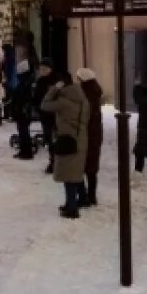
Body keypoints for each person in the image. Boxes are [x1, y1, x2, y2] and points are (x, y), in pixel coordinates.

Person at [41, 71, 89, 219]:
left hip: (67, 139)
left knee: (68, 174)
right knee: (76, 171)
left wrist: (53, 90)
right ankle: (83, 198)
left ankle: (71, 208)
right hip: (81, 138)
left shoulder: (63, 102)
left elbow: (44, 105)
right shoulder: (82, 98)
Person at [77, 68, 104, 207]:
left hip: (86, 134)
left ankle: (84, 195)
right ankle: (91, 195)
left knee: (80, 165)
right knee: (91, 167)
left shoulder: (85, 95)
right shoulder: (95, 93)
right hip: (96, 135)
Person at [33, 58, 57, 173]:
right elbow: (37, 98)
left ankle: (55, 162)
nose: (42, 71)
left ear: (50, 69)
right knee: (49, 139)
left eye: (45, 69)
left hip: (55, 115)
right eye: (41, 69)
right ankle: (53, 160)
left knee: (55, 139)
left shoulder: (56, 82)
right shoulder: (40, 81)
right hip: (44, 115)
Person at [12, 46, 36, 160]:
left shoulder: (24, 83)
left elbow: (22, 96)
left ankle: (26, 152)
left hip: (23, 110)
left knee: (23, 131)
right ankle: (24, 150)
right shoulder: (27, 81)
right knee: (22, 131)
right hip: (22, 109)